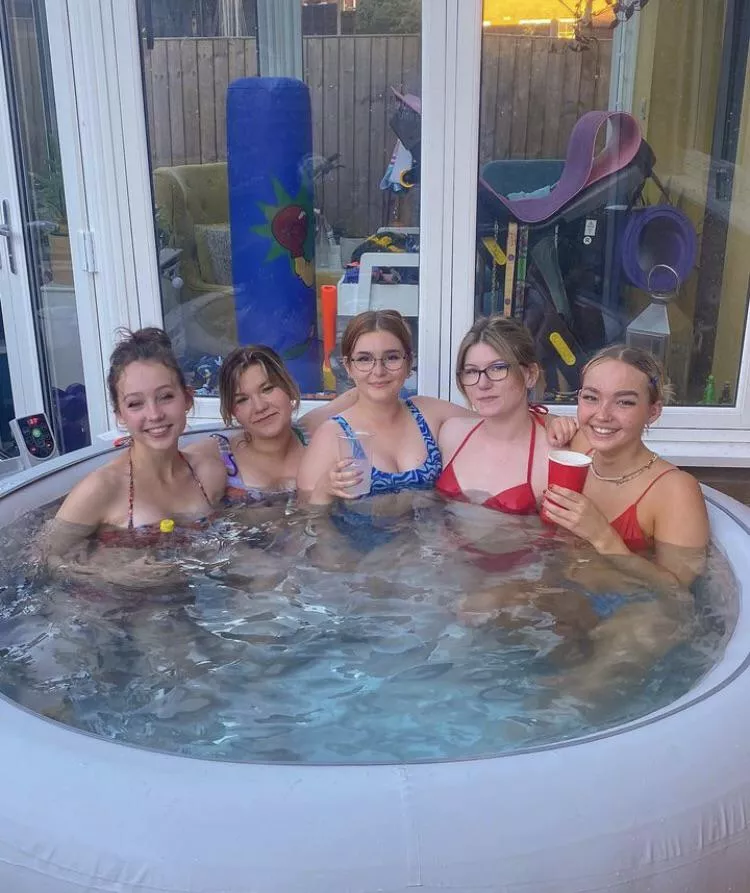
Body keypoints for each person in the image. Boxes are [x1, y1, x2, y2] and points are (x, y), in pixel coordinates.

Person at [538, 345, 710, 699]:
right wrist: (556, 423)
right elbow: (532, 418)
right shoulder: (581, 450)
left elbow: (677, 595)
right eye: (590, 397)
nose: (602, 415)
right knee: (476, 607)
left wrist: (604, 537)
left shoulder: (675, 490)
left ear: (654, 411)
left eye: (625, 402)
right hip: (570, 593)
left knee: (571, 699)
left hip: (634, 611)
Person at [40, 327, 227, 587]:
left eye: (165, 397)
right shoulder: (101, 489)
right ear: (119, 414)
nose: (154, 414)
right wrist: (110, 575)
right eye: (135, 403)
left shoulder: (209, 475)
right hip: (126, 612)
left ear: (187, 399)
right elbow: (41, 560)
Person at [191, 344, 357, 506]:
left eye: (267, 389)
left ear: (288, 387)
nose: (259, 407)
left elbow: (364, 393)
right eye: (242, 400)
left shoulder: (312, 433)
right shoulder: (218, 453)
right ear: (232, 412)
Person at [436, 315, 570, 514]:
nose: (483, 384)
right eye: (472, 372)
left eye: (498, 368)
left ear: (530, 375)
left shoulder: (556, 455)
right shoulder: (451, 433)